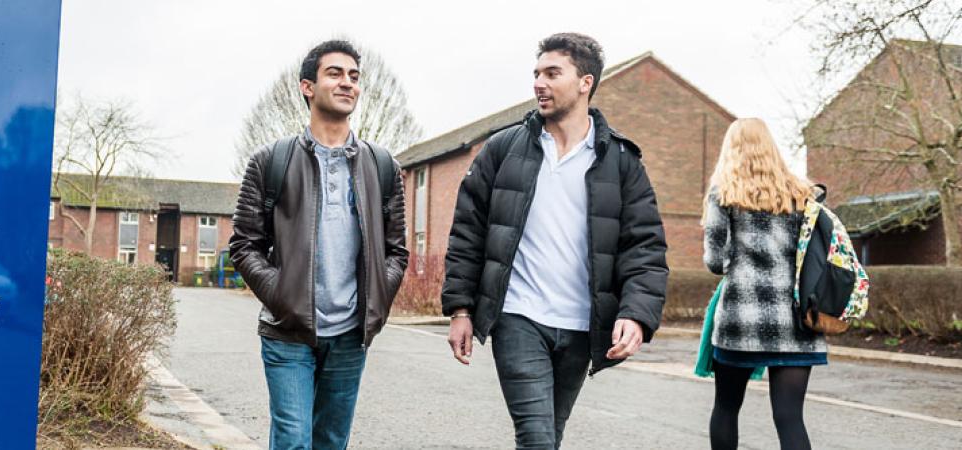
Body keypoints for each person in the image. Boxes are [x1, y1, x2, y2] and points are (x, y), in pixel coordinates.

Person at [440, 32, 668, 449]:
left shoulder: (620, 161)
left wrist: (636, 314)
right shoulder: (503, 150)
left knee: (550, 435)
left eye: (552, 73)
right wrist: (460, 308)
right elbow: (467, 231)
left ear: (585, 83)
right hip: (518, 317)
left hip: (582, 325)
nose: (539, 83)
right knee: (537, 437)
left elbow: (645, 247)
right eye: (536, 73)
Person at [228, 39, 408, 450]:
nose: (348, 83)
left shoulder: (382, 166)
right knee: (293, 441)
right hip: (288, 331)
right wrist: (282, 296)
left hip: (351, 334)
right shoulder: (270, 160)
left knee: (330, 441)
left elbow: (396, 250)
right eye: (335, 73)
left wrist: (376, 301)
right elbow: (243, 244)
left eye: (354, 77)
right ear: (307, 87)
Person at [701, 118, 826, 450]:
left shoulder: (723, 194)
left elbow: (715, 262)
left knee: (727, 408)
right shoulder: (805, 195)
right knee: (790, 418)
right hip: (797, 320)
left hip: (741, 320)